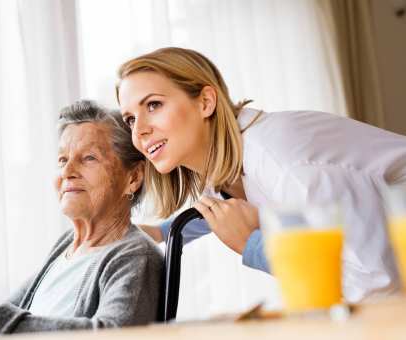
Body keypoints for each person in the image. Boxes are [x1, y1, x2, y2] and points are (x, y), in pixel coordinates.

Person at [116, 47, 406, 302]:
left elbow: (378, 288)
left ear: (205, 102)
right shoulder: (229, 167)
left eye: (153, 105)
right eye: (130, 119)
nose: (139, 130)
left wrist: (253, 244)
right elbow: (221, 211)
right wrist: (158, 233)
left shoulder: (284, 162)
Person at [0, 100, 163, 338]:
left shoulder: (135, 257)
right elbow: (4, 313)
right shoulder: (67, 246)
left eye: (89, 158)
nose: (67, 171)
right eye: (62, 160)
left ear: (134, 177)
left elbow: (116, 334)